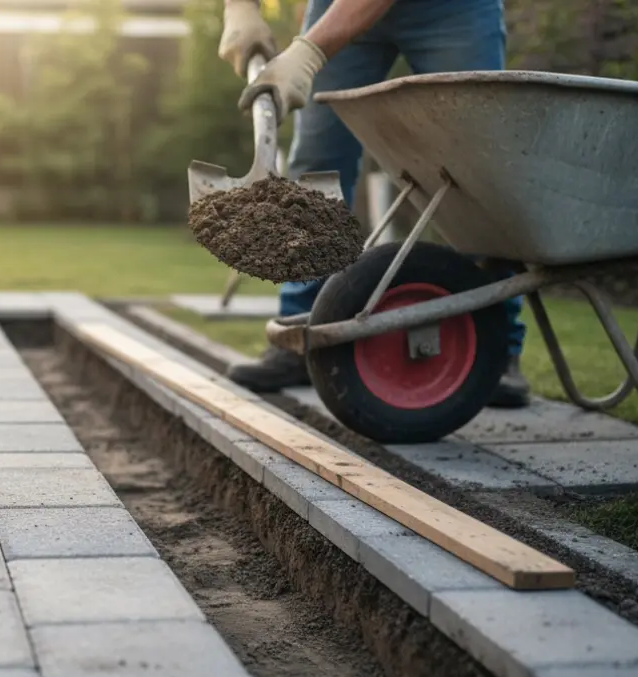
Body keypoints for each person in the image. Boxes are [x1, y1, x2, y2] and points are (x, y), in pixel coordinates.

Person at [216, 0, 530, 408]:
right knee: (317, 160)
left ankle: (496, 346)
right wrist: (240, 8)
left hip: (455, 10)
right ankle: (301, 335)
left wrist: (309, 52)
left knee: (476, 165)